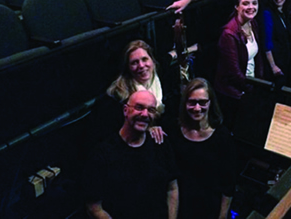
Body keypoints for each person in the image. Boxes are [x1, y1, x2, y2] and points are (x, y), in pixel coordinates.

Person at [83, 91, 179, 219]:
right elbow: (94, 207)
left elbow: (172, 189)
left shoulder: (160, 143)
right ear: (125, 110)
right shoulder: (103, 153)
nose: (145, 114)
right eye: (139, 107)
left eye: (150, 110)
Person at [169, 78, 237, 219]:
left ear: (210, 103)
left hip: (209, 209)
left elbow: (228, 184)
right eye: (192, 102)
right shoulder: (174, 132)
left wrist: (222, 216)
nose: (197, 108)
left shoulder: (222, 137)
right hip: (180, 208)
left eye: (202, 102)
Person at [89, 40, 167, 147]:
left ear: (152, 61)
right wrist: (147, 129)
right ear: (128, 68)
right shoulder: (118, 96)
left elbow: (169, 57)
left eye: (144, 59)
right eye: (134, 62)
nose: (141, 66)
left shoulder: (159, 81)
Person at [215, 0, 263, 128]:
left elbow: (256, 58)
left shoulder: (252, 23)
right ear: (237, 7)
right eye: (246, 3)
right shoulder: (229, 34)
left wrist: (260, 84)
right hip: (234, 93)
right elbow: (233, 73)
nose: (251, 7)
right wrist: (252, 90)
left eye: (254, 3)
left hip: (250, 86)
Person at [261, 0, 291, 84]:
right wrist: (273, 66)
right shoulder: (267, 14)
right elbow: (267, 43)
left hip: (286, 63)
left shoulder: (283, 12)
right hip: (276, 68)